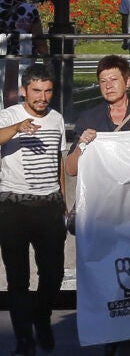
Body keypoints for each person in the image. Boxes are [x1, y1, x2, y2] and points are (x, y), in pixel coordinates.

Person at [1, 66, 65, 356]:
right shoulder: (10, 115)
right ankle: (24, 339)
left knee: (53, 273)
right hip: (13, 206)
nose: (42, 97)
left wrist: (64, 202)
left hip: (49, 206)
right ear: (25, 90)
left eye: (47, 91)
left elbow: (59, 163)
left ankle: (41, 316)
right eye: (37, 91)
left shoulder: (57, 119)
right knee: (18, 278)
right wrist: (17, 128)